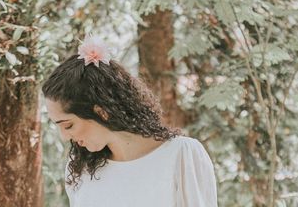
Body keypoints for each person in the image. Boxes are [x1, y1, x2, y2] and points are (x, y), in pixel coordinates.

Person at [42, 36, 218, 206]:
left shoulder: (181, 155)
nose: (65, 137)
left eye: (68, 125)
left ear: (101, 112)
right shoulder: (80, 168)